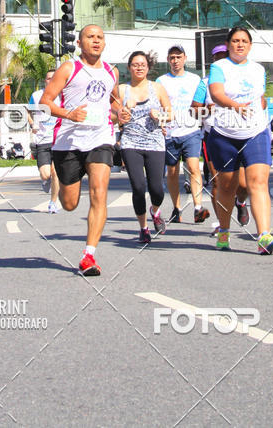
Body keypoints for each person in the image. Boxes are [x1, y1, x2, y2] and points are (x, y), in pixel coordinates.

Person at [40, 24, 119, 276]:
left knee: (99, 193)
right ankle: (62, 187)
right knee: (70, 203)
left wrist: (121, 114)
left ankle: (89, 255)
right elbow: (45, 103)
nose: (96, 41)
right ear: (79, 42)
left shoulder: (111, 72)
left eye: (100, 37)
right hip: (68, 142)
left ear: (104, 43)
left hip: (100, 138)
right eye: (90, 37)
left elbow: (115, 105)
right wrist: (68, 114)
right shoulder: (69, 68)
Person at [207, 26, 273, 255]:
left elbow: (260, 98)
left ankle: (264, 236)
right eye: (235, 41)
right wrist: (236, 107)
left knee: (258, 182)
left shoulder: (258, 69)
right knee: (227, 186)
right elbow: (216, 93)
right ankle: (223, 230)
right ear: (229, 44)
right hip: (225, 133)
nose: (240, 44)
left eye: (244, 41)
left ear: (250, 46)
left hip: (255, 131)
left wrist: (259, 111)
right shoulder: (218, 67)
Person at [115, 51, 171, 243]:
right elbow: (113, 117)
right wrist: (125, 109)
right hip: (130, 143)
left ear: (148, 67)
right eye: (135, 64)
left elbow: (171, 114)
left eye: (143, 64)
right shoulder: (122, 90)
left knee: (157, 189)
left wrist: (160, 116)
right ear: (129, 67)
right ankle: (143, 228)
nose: (139, 67)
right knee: (138, 187)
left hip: (155, 142)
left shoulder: (157, 88)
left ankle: (155, 211)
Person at [196, 44, 250, 234]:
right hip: (214, 135)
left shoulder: (242, 77)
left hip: (240, 133)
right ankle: (222, 225)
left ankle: (241, 202)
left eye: (223, 55)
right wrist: (208, 109)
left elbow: (260, 100)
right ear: (213, 60)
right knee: (218, 182)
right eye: (216, 56)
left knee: (243, 184)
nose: (220, 59)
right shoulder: (205, 82)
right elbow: (194, 110)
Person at [156, 45, 209, 224]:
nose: (175, 60)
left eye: (178, 57)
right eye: (172, 57)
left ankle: (197, 208)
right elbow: (158, 107)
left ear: (185, 58)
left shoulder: (195, 79)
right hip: (170, 133)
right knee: (172, 172)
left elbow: (201, 104)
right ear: (168, 60)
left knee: (194, 167)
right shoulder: (161, 81)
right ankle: (176, 208)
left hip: (191, 130)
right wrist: (160, 124)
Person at [28, 70, 60, 213]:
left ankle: (53, 202)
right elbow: (28, 111)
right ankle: (44, 180)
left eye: (53, 78)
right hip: (42, 140)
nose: (50, 80)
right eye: (48, 78)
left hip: (59, 140)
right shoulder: (36, 96)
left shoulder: (62, 95)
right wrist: (32, 124)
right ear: (44, 80)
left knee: (55, 173)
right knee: (46, 174)